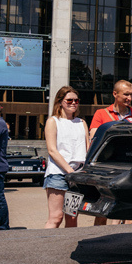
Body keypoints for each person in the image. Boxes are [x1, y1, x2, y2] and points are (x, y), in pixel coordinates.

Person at [43, 86, 89, 229]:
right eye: (69, 100)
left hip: (77, 175)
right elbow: (52, 150)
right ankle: (44, 241)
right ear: (60, 102)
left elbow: (87, 148)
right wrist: (69, 170)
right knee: (56, 217)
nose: (73, 103)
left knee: (72, 217)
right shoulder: (53, 121)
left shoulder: (81, 122)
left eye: (76, 100)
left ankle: (69, 243)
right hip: (58, 174)